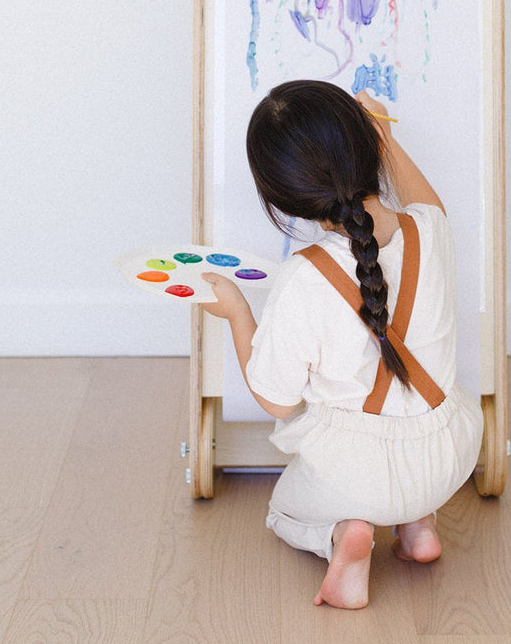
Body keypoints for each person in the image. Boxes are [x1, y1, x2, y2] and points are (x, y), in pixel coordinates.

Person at [201, 80, 483, 609]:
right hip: (451, 457)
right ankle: (418, 525)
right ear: (369, 146)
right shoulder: (431, 228)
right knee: (407, 437)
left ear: (280, 198)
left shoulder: (302, 277)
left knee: (282, 509)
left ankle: (343, 536)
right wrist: (382, 132)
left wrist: (237, 312)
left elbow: (277, 401)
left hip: (356, 476)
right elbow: (426, 200)